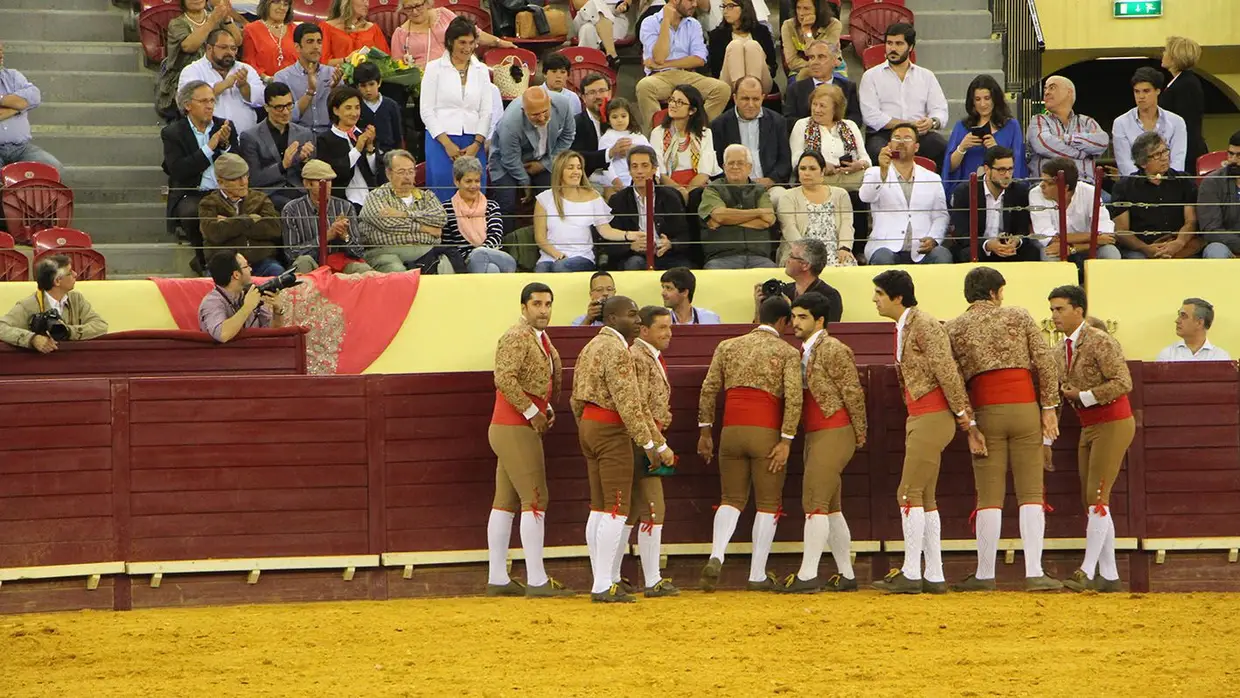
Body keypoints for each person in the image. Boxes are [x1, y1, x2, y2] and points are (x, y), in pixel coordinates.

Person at [944, 267, 1064, 593]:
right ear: (996, 292)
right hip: (1026, 409)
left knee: (989, 496)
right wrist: (1049, 408)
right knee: (1031, 493)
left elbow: (953, 382)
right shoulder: (1019, 316)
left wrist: (968, 424)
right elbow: (1045, 361)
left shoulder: (954, 327)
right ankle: (1035, 572)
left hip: (986, 413)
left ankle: (984, 574)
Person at [870, 270, 978, 595]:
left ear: (897, 297)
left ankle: (910, 572)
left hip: (931, 415)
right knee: (925, 497)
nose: (874, 299)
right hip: (922, 414)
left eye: (878, 293)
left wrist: (963, 415)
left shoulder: (924, 325)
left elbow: (946, 369)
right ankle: (933, 574)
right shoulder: (906, 326)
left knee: (907, 492)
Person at [572, 296, 675, 603]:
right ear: (613, 318)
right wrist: (649, 443)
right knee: (617, 509)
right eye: (631, 315)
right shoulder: (617, 350)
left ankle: (602, 579)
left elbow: (576, 396)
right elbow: (629, 402)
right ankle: (603, 584)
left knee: (599, 507)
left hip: (590, 425)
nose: (637, 321)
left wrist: (585, 425)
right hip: (612, 428)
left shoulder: (591, 346)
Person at [697, 296, 803, 592]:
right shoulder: (786, 352)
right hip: (765, 432)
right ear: (782, 322)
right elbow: (794, 398)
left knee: (731, 498)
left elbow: (708, 390)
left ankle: (717, 553)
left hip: (730, 431)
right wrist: (786, 440)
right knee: (768, 503)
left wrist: (705, 432)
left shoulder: (728, 346)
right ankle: (757, 574)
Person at [485, 282, 573, 598]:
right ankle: (536, 579)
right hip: (514, 426)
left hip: (513, 424)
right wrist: (532, 411)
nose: (544, 310)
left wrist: (544, 406)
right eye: (537, 304)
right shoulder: (516, 336)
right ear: (524, 307)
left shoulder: (539, 339)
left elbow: (529, 380)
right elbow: (504, 378)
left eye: (548, 304)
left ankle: (498, 578)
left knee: (505, 501)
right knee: (536, 498)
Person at [1046, 284, 1135, 593]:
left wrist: (1084, 396)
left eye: (1060, 309)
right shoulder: (1058, 350)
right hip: (1089, 425)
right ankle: (1109, 575)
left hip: (1113, 422)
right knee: (1092, 499)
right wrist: (1047, 440)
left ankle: (1086, 570)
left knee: (1097, 497)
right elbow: (1055, 399)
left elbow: (1123, 382)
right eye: (1052, 310)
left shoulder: (1100, 341)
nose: (1054, 315)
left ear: (1078, 310)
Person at [779, 291, 865, 593]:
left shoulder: (832, 349)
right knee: (830, 506)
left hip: (834, 429)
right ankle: (847, 574)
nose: (796, 323)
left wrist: (859, 432)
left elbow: (853, 392)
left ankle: (807, 575)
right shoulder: (806, 349)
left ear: (820, 320)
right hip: (818, 432)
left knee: (814, 501)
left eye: (803, 317)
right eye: (793, 316)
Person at [616, 305, 680, 597]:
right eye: (662, 328)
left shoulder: (646, 356)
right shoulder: (639, 357)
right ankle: (652, 580)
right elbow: (639, 407)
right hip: (643, 441)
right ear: (644, 330)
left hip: (639, 439)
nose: (669, 333)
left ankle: (614, 576)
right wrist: (658, 444)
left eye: (670, 327)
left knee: (628, 512)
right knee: (654, 509)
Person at [162, 80, 241, 273]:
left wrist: (224, 146)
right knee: (194, 213)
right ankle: (205, 264)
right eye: (204, 101)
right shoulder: (173, 133)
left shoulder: (224, 126)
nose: (209, 106)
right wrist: (209, 148)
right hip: (192, 192)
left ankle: (236, 265)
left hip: (224, 191)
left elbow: (238, 164)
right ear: (188, 105)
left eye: (212, 101)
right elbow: (179, 170)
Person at [420, 17, 493, 202]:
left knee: (474, 191)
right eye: (462, 42)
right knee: (442, 191)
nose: (467, 48)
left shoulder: (482, 70)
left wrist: (476, 144)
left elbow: (486, 111)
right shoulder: (433, 68)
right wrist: (447, 144)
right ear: (451, 41)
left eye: (471, 43)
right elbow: (426, 110)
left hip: (473, 140)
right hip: (441, 140)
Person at [859, 124, 952, 265]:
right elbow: (865, 197)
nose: (901, 142)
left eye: (907, 138)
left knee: (942, 255)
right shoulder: (874, 172)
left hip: (921, 250)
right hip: (886, 247)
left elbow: (940, 216)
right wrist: (883, 172)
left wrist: (934, 239)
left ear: (916, 147)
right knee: (883, 258)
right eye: (897, 138)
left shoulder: (932, 178)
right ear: (889, 145)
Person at [859, 23, 949, 167]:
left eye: (899, 44)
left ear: (911, 47)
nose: (893, 48)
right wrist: (908, 125)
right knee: (876, 151)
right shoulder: (871, 76)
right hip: (885, 135)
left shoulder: (926, 76)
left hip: (919, 135)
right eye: (889, 43)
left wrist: (932, 122)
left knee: (942, 148)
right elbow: (871, 117)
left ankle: (938, 188)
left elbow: (940, 110)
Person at [635, 0, 730, 134]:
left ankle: (694, 131)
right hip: (660, 77)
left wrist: (666, 64)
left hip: (688, 75)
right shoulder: (649, 23)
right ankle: (659, 136)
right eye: (690, 0)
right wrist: (666, 22)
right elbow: (659, 57)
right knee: (644, 87)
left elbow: (699, 59)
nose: (695, 5)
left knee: (722, 89)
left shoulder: (694, 24)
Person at [535, 151, 636, 272]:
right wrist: (557, 254)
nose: (576, 172)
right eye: (570, 168)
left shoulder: (593, 196)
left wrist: (629, 235)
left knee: (560, 267)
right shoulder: (544, 198)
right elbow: (540, 237)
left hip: (581, 257)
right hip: (550, 257)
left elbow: (606, 231)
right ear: (559, 171)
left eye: (579, 168)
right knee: (542, 269)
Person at [1112, 132, 1206, 259]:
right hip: (1141, 247)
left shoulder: (1184, 180)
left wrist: (1179, 242)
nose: (1164, 158)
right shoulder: (1124, 187)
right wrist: (1145, 248)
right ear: (1143, 162)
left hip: (1180, 243)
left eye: (1165, 151)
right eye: (1157, 155)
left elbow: (1191, 221)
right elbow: (1122, 230)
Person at [488, 87, 577, 220]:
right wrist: (525, 182)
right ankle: (508, 238)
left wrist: (544, 164)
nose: (541, 118)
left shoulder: (563, 104)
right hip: (505, 162)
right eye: (535, 115)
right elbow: (509, 158)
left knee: (550, 200)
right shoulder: (510, 122)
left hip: (545, 158)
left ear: (550, 103)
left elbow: (568, 136)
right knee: (507, 205)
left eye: (545, 112)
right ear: (524, 111)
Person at [358, 149, 450, 273]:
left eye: (411, 171)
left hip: (427, 250)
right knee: (396, 270)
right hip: (386, 251)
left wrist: (405, 214)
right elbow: (388, 224)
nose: (407, 177)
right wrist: (425, 228)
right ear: (388, 174)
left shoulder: (427, 196)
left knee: (447, 264)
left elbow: (441, 218)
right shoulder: (376, 196)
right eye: (401, 172)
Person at [605, 145, 693, 270]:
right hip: (634, 256)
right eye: (634, 166)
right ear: (629, 171)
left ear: (654, 169)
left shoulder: (670, 197)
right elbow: (609, 242)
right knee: (634, 263)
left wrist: (670, 244)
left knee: (683, 270)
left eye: (644, 166)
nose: (639, 171)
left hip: (667, 255)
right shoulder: (618, 200)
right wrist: (631, 246)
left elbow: (685, 235)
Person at [155, 0, 243, 121]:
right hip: (187, 76)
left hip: (219, 70)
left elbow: (237, 41)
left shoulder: (216, 17)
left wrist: (227, 18)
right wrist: (211, 21)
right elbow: (189, 46)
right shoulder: (177, 23)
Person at [949, 146, 1041, 263]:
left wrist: (1016, 241)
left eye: (1010, 169)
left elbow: (1022, 228)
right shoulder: (965, 191)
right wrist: (987, 245)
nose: (1007, 175)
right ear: (987, 169)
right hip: (979, 247)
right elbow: (961, 233)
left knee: (1032, 252)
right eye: (1001, 170)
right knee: (965, 253)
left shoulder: (1019, 191)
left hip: (1007, 248)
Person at [199, 153, 285, 277]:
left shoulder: (260, 198)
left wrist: (229, 222)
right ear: (220, 182)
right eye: (236, 178)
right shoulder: (208, 203)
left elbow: (274, 229)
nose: (244, 182)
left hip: (260, 262)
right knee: (210, 282)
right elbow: (214, 233)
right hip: (226, 267)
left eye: (245, 176)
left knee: (278, 273)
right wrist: (249, 219)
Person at [281, 159, 372, 274]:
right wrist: (325, 237)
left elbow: (359, 252)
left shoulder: (345, 207)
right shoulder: (291, 210)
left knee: (364, 270)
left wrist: (345, 237)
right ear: (307, 184)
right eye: (321, 181)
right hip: (312, 264)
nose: (327, 186)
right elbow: (291, 254)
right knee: (303, 262)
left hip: (340, 264)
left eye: (329, 181)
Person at [0, 256, 107, 352]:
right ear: (57, 281)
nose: (75, 274)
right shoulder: (28, 305)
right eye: (70, 272)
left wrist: (69, 332)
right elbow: (1, 327)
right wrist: (32, 339)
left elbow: (100, 326)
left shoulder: (76, 299)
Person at [943, 74, 1026, 197]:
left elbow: (1017, 163)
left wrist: (995, 149)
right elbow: (949, 168)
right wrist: (962, 148)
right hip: (968, 191)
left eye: (987, 98)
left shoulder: (1011, 125)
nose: (982, 104)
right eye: (977, 99)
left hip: (1001, 190)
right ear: (972, 102)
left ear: (995, 99)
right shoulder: (961, 127)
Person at [699, 144, 777, 269]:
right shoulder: (713, 189)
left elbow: (768, 219)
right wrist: (758, 212)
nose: (735, 167)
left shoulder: (760, 190)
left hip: (759, 257)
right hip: (721, 258)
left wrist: (727, 220)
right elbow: (720, 216)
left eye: (740, 163)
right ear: (724, 167)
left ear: (749, 167)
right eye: (731, 163)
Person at [1029, 157, 1121, 262]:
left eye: (1049, 183)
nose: (1042, 186)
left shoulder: (1090, 192)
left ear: (1065, 188)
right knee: (1049, 253)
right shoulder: (1035, 193)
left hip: (1089, 247)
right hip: (1060, 246)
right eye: (1042, 180)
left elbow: (1106, 236)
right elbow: (1049, 238)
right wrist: (1094, 237)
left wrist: (1073, 248)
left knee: (1110, 253)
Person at [240, 82, 316, 210]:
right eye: (279, 107)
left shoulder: (304, 133)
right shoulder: (250, 137)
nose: (286, 112)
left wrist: (306, 160)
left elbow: (313, 174)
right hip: (269, 194)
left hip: (300, 192)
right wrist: (283, 165)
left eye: (289, 105)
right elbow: (253, 180)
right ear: (266, 107)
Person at [710, 77, 792, 193]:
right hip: (732, 187)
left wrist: (771, 180)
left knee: (780, 196)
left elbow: (785, 160)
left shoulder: (777, 122)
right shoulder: (719, 125)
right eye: (745, 99)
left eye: (755, 99)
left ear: (763, 98)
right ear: (735, 98)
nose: (751, 104)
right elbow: (716, 163)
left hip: (770, 186)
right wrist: (734, 182)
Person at [177, 28, 266, 134]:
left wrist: (244, 86)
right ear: (209, 48)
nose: (229, 52)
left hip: (245, 138)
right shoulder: (192, 70)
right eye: (223, 47)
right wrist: (225, 84)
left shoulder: (245, 69)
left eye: (233, 48)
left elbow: (262, 100)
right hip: (206, 138)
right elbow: (185, 102)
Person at [1026, 76, 1109, 186]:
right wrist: (1082, 153)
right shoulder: (1038, 120)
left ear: (1069, 92)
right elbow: (1044, 145)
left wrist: (1068, 139)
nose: (1046, 92)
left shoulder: (1087, 121)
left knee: (1116, 201)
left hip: (1084, 185)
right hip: (1048, 187)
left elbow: (1102, 142)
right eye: (1045, 89)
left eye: (1052, 88)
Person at [441, 156, 516, 273]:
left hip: (498, 257)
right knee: (492, 269)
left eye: (477, 181)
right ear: (456, 181)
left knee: (481, 256)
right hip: (465, 262)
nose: (474, 186)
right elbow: (448, 246)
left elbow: (495, 237)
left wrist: (479, 252)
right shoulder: (446, 209)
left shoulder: (492, 206)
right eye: (468, 181)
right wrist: (473, 256)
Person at [777, 154, 855, 266]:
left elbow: (847, 224)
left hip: (836, 251)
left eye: (812, 169)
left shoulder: (840, 194)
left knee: (847, 264)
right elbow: (789, 229)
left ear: (822, 171)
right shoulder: (787, 196)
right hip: (800, 253)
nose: (806, 173)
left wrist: (844, 248)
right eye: (802, 168)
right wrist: (805, 254)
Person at [650, 84, 720, 206]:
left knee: (698, 196)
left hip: (696, 186)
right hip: (668, 185)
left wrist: (687, 192)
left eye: (680, 102)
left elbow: (705, 172)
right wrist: (680, 191)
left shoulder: (705, 133)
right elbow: (659, 172)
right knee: (670, 198)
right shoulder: (657, 133)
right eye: (671, 100)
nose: (672, 105)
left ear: (692, 110)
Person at [392, 0, 513, 70]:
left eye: (418, 5)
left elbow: (473, 33)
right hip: (422, 83)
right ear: (402, 9)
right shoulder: (400, 34)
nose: (414, 11)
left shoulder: (444, 15)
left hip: (456, 70)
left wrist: (499, 42)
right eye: (409, 8)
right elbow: (397, 66)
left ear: (427, 3)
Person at [788, 85, 868, 190]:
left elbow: (865, 158)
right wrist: (822, 166)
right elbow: (796, 160)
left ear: (836, 108)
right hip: (819, 179)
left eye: (822, 106)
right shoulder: (802, 125)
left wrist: (859, 165)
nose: (816, 109)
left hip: (849, 178)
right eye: (814, 104)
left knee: (875, 175)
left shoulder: (850, 125)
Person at [1112, 67, 1188, 177]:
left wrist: (1164, 181)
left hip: (1169, 183)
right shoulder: (1121, 123)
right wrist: (1146, 182)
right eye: (1137, 91)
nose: (1141, 97)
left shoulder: (1176, 122)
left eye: (1146, 91)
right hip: (1135, 185)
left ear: (1157, 91)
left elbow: (1178, 162)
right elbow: (1125, 164)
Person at [198, 251, 287, 343]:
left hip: (256, 354)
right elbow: (222, 335)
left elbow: (271, 334)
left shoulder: (248, 293)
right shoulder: (211, 302)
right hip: (223, 356)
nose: (251, 269)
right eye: (246, 266)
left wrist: (277, 311)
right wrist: (247, 308)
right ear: (236, 275)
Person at [316, 85, 381, 208]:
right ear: (335, 110)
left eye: (357, 108)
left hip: (372, 198)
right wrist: (357, 149)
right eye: (348, 108)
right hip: (342, 201)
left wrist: (370, 147)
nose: (354, 113)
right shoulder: (324, 139)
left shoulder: (364, 134)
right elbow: (335, 172)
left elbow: (375, 171)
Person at [0, 43, 61, 170]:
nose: (1, 55)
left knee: (55, 169)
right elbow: (24, 103)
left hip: (21, 148)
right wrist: (19, 107)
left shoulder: (13, 76)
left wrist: (11, 108)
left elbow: (34, 96)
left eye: (1, 51)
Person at [274, 23, 343, 135]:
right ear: (297, 47)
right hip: (297, 136)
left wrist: (334, 91)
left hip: (330, 136)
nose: (316, 46)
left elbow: (344, 114)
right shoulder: (283, 77)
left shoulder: (332, 73)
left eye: (319, 42)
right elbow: (286, 117)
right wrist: (310, 92)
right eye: (310, 42)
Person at [783, 40, 860, 131]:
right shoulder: (795, 89)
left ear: (835, 60)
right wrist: (816, 128)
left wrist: (832, 127)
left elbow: (856, 119)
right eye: (811, 58)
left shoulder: (847, 87)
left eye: (821, 57)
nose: (815, 62)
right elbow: (788, 120)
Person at [707, 0, 778, 95]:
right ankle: (742, 93)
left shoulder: (762, 31)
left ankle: (752, 91)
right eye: (724, 6)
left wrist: (755, 64)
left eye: (730, 6)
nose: (725, 11)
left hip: (761, 83)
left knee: (752, 45)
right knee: (735, 45)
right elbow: (716, 71)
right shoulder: (716, 35)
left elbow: (773, 67)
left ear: (744, 7)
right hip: (729, 84)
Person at [1160, 36, 1208, 174]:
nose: (1163, 54)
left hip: (1187, 153)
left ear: (1175, 56)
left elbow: (1185, 122)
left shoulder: (1186, 84)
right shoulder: (1181, 82)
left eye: (1166, 50)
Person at [593, 98, 652, 195]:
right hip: (618, 183)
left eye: (623, 116)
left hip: (640, 180)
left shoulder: (638, 136)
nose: (620, 120)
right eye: (615, 117)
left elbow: (652, 156)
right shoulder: (606, 138)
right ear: (608, 120)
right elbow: (605, 164)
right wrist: (615, 180)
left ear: (629, 116)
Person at [1195, 131, 1240, 258]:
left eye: (1239, 156)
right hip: (1225, 245)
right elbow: (1211, 231)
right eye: (1230, 154)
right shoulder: (1211, 183)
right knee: (1215, 251)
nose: (1232, 160)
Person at [570, 73, 619, 177]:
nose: (598, 96)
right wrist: (609, 153)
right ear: (583, 97)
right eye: (592, 92)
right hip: (589, 177)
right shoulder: (575, 123)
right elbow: (576, 157)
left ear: (610, 93)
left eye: (602, 91)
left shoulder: (622, 118)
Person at [780, 0, 841, 83]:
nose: (801, 13)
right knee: (798, 85)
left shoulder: (834, 25)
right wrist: (814, 65)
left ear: (818, 10)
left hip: (833, 68)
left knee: (838, 87)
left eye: (806, 8)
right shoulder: (788, 26)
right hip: (800, 68)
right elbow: (792, 61)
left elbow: (827, 57)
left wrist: (806, 31)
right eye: (798, 8)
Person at [1156, 298, 1231, 362]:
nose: (1177, 320)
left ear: (1199, 323)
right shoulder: (1168, 355)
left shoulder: (1220, 357)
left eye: (1183, 316)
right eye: (1179, 315)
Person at [353, 62, 403, 155]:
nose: (368, 90)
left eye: (371, 84)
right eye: (363, 86)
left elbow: (398, 136)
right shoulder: (356, 107)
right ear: (357, 87)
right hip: (364, 156)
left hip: (388, 155)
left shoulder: (391, 105)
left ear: (379, 83)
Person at [320, 0, 390, 66]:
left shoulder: (373, 28)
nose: (367, 4)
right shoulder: (326, 28)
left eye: (368, 0)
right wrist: (346, 60)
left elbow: (386, 60)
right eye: (362, 0)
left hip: (369, 77)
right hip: (338, 76)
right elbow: (322, 62)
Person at [241, 0, 296, 81]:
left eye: (286, 4)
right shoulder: (251, 30)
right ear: (266, 5)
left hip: (293, 82)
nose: (282, 7)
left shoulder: (295, 29)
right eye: (276, 2)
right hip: (263, 83)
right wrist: (267, 78)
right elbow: (249, 62)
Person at [571, 0, 633, 66]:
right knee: (595, 2)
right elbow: (578, 5)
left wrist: (616, 9)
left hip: (615, 21)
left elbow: (626, 4)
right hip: (585, 17)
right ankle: (612, 54)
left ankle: (586, 67)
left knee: (587, 28)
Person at [542, 53, 583, 117]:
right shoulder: (533, 95)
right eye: (554, 71)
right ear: (545, 74)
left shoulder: (573, 97)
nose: (558, 76)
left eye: (563, 72)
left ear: (568, 76)